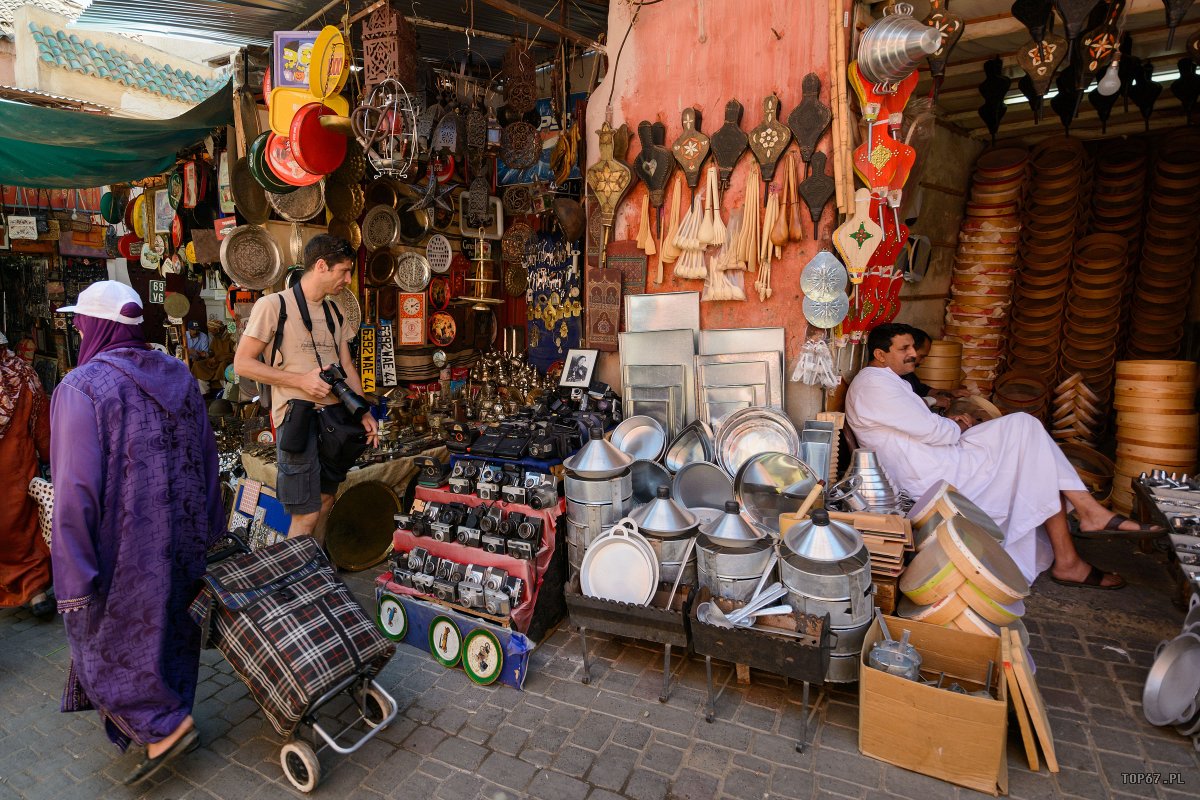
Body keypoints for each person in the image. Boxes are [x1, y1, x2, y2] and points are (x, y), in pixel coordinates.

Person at [50, 281, 225, 784]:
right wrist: (209, 527)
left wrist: (73, 574)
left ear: (97, 327)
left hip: (121, 551)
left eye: (81, 321)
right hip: (182, 539)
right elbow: (208, 460)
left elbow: (74, 493)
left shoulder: (82, 388)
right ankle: (170, 717)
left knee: (106, 639)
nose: (78, 328)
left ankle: (165, 726)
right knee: (171, 628)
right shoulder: (179, 376)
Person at [845, 322, 1161, 590]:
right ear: (880, 354)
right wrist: (952, 425)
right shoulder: (873, 384)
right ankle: (1080, 534)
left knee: (1026, 432)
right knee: (1028, 443)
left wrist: (945, 423)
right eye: (904, 349)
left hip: (933, 456)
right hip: (928, 473)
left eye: (912, 347)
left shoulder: (886, 381)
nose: (913, 354)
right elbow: (933, 432)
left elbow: (916, 421)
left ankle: (1078, 538)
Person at [234, 234, 378, 539]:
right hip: (296, 418)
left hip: (334, 421)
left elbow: (348, 367)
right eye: (344, 271)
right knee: (306, 512)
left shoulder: (335, 312)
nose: (349, 280)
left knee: (326, 501)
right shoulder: (273, 306)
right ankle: (297, 580)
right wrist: (300, 381)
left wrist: (363, 411)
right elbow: (243, 364)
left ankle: (315, 568)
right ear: (322, 266)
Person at [0, 331, 53, 619]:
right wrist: (48, 458)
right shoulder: (25, 374)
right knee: (25, 527)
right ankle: (36, 592)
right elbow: (42, 427)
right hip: (20, 470)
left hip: (14, 468)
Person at [190, 319, 234, 395]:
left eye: (212, 331)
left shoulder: (231, 335)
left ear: (218, 329)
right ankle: (204, 393)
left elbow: (235, 354)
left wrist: (217, 358)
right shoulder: (216, 337)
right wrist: (204, 355)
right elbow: (211, 351)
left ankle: (226, 392)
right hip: (215, 361)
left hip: (227, 361)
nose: (211, 333)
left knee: (223, 365)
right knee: (197, 365)